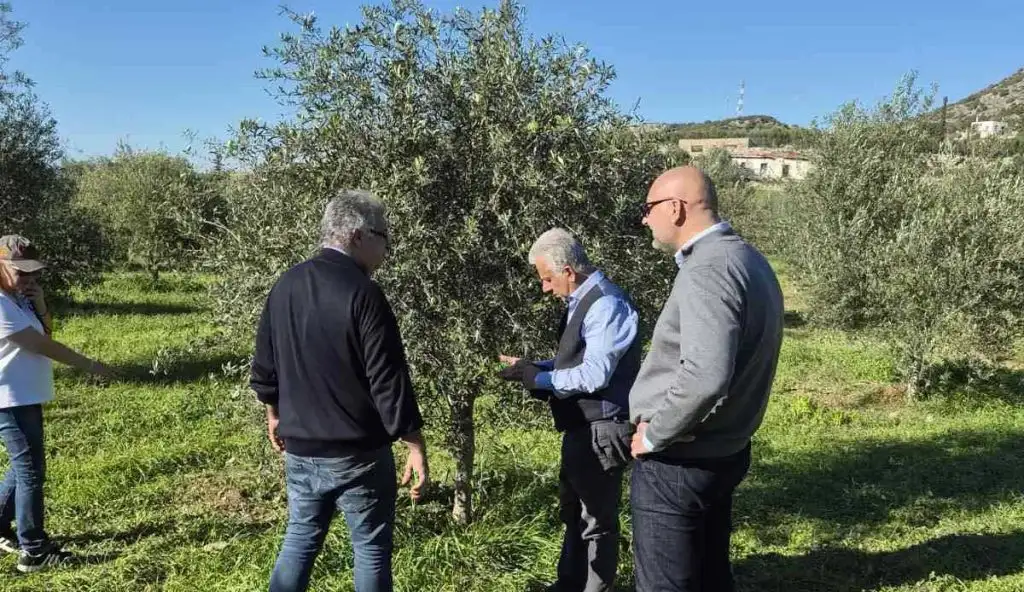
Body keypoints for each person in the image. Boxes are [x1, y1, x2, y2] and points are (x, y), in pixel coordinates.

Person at [251, 190, 429, 592]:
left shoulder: (286, 284)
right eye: (385, 238)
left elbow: (265, 364)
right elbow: (388, 379)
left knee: (300, 538)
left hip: (301, 449)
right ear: (359, 235)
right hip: (358, 454)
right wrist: (415, 445)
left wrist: (273, 414)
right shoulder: (364, 293)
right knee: (370, 548)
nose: (386, 250)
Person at [628, 166, 784, 592]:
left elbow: (706, 375)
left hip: (679, 461)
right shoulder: (748, 258)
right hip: (725, 449)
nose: (645, 219)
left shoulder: (708, 268)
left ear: (675, 208)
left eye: (648, 208)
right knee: (710, 575)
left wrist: (655, 435)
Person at [498, 228, 639, 592]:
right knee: (574, 512)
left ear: (568, 272)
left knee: (597, 522)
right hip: (582, 427)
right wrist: (536, 367)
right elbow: (577, 359)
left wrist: (540, 380)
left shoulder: (606, 304)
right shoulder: (583, 301)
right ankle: (569, 584)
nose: (544, 287)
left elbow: (594, 374)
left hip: (602, 428)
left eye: (546, 278)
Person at [0, 234, 113, 572]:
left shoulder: (17, 298)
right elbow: (41, 346)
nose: (29, 279)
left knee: (24, 466)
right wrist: (91, 365)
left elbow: (44, 332)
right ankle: (34, 549)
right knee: (31, 470)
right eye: (21, 272)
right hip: (10, 399)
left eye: (34, 273)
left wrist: (42, 304)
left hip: (25, 395)